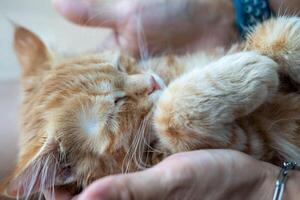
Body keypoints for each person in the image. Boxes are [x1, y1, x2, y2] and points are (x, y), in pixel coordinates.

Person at [24, 0, 300, 199]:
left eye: (122, 66)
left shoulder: (151, 72)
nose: (147, 80)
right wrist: (182, 119)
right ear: (66, 168)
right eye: (118, 105)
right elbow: (267, 150)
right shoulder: (145, 168)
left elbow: (251, 58)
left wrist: (235, 15)